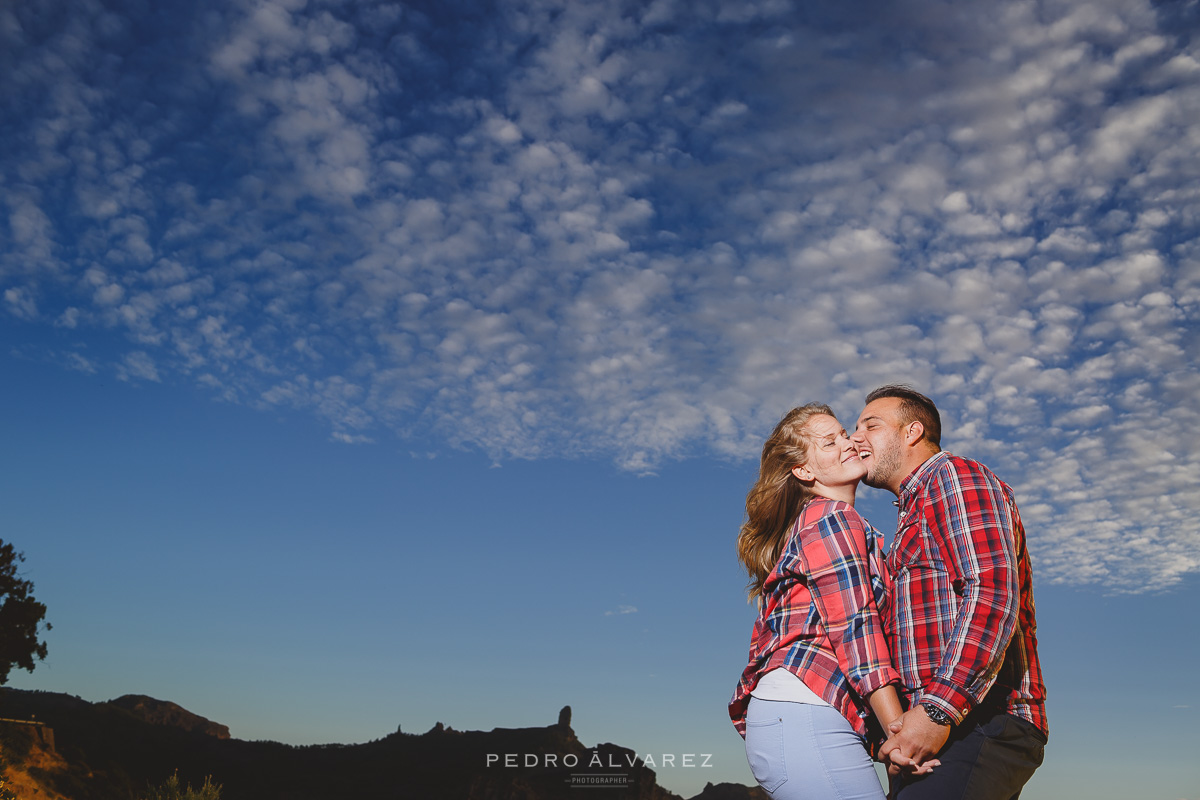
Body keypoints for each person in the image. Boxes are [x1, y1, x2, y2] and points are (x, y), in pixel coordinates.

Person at [851, 385, 1048, 800]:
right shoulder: (911, 514)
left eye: (870, 425)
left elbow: (992, 592)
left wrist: (938, 710)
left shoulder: (953, 477)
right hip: (938, 731)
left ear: (912, 432)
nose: (855, 438)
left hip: (978, 719)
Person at [729, 403, 935, 800]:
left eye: (844, 434)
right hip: (803, 714)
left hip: (804, 717)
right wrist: (900, 735)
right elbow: (856, 630)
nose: (849, 443)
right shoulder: (831, 518)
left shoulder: (833, 522)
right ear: (804, 472)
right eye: (830, 441)